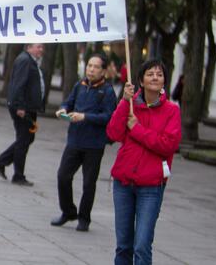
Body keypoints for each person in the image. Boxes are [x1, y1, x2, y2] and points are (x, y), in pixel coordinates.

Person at [107, 59, 181, 265]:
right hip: (123, 184)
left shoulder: (172, 111)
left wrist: (137, 129)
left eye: (159, 74)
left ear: (164, 80)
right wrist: (123, 102)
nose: (155, 77)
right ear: (141, 80)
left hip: (151, 187)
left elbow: (168, 145)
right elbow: (113, 133)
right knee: (123, 245)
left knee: (141, 246)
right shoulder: (130, 105)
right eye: (150, 74)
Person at [52, 54, 117, 232]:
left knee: (89, 183)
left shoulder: (108, 91)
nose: (91, 70)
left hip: (94, 144)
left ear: (103, 71)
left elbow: (109, 117)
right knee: (62, 176)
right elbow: (69, 101)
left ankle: (84, 218)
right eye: (89, 66)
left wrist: (85, 117)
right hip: (74, 140)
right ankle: (68, 211)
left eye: (96, 67)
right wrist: (63, 109)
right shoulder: (79, 85)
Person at [0, 43, 45, 186]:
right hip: (23, 108)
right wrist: (20, 106)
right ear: (29, 47)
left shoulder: (29, 60)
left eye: (42, 47)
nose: (41, 49)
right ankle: (17, 174)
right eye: (38, 47)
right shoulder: (25, 60)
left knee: (27, 138)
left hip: (28, 107)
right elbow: (18, 85)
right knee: (24, 139)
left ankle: (2, 161)